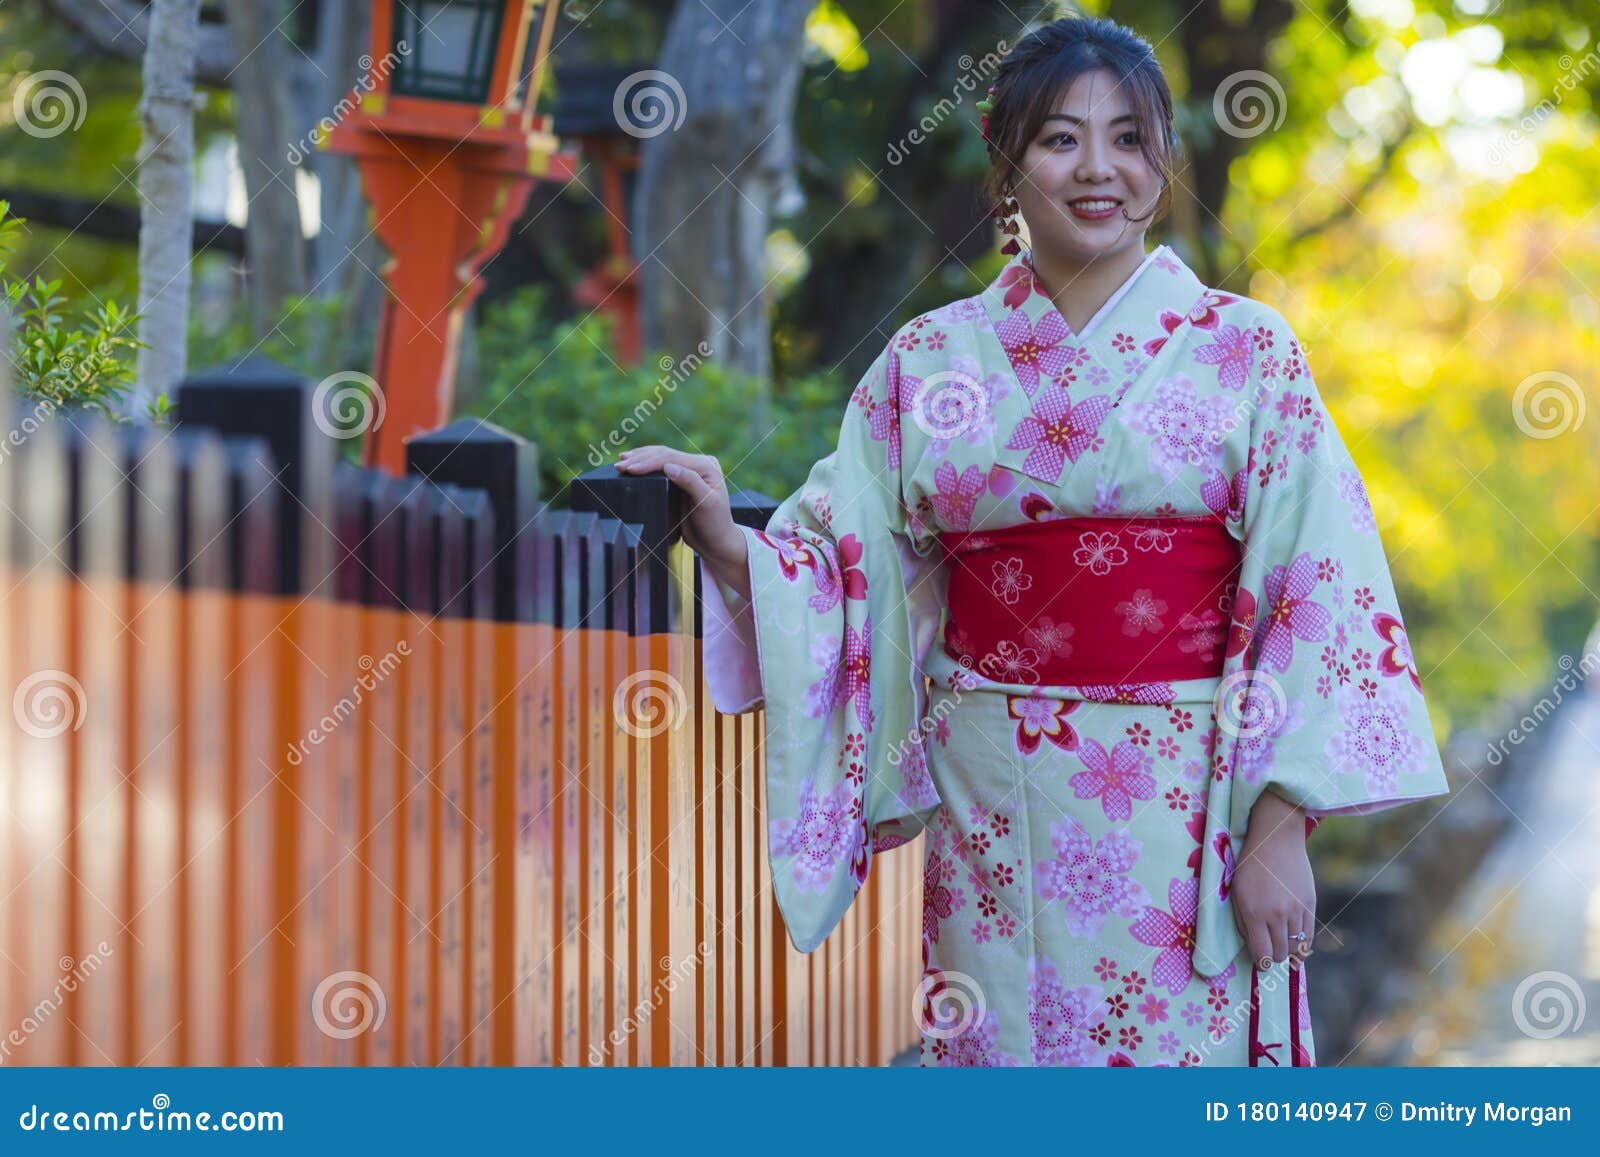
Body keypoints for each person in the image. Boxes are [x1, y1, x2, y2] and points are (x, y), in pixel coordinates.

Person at [616, 14, 1450, 1067]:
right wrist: (735, 549)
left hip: (1182, 805)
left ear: (1165, 160)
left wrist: (1279, 827)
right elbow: (844, 556)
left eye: (1130, 139)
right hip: (990, 806)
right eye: (1059, 139)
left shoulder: (1245, 350)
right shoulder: (932, 359)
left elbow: (1316, 581)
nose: (1098, 168)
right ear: (1006, 160)